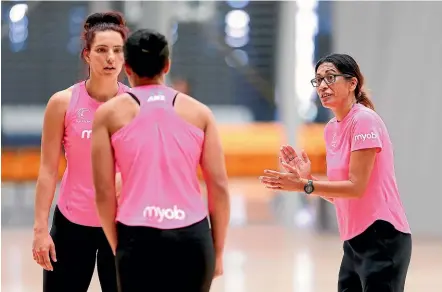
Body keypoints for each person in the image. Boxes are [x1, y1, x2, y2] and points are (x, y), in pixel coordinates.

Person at [91, 28, 230, 292]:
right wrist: (218, 251)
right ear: (167, 65)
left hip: (137, 236)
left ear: (127, 67)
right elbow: (219, 186)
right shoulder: (200, 112)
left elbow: (103, 190)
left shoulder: (108, 115)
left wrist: (117, 245)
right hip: (192, 237)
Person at [259, 53, 412, 292]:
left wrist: (303, 186)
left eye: (330, 78)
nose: (322, 86)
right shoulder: (331, 129)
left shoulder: (364, 120)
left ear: (353, 83)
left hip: (382, 236)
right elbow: (343, 196)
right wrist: (307, 180)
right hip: (353, 240)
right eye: (318, 80)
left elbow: (356, 187)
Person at [32, 11, 130, 292]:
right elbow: (48, 170)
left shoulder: (136, 105)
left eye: (117, 50)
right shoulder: (62, 103)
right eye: (101, 50)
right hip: (71, 224)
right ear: (87, 55)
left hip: (121, 226)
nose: (110, 57)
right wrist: (40, 230)